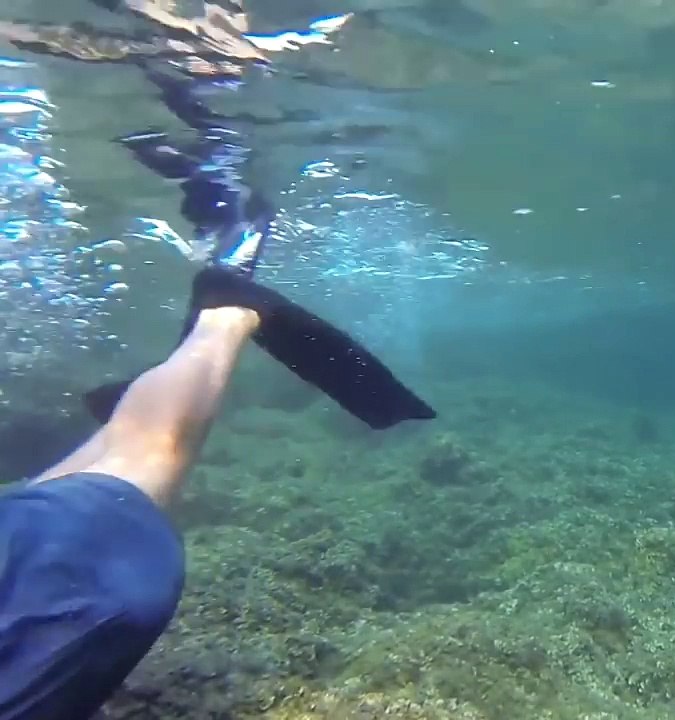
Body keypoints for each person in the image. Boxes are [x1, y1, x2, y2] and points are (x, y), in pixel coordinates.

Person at [1, 4, 432, 718]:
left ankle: (227, 304)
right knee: (111, 462)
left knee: (141, 452)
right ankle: (222, 198)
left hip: (70, 598)